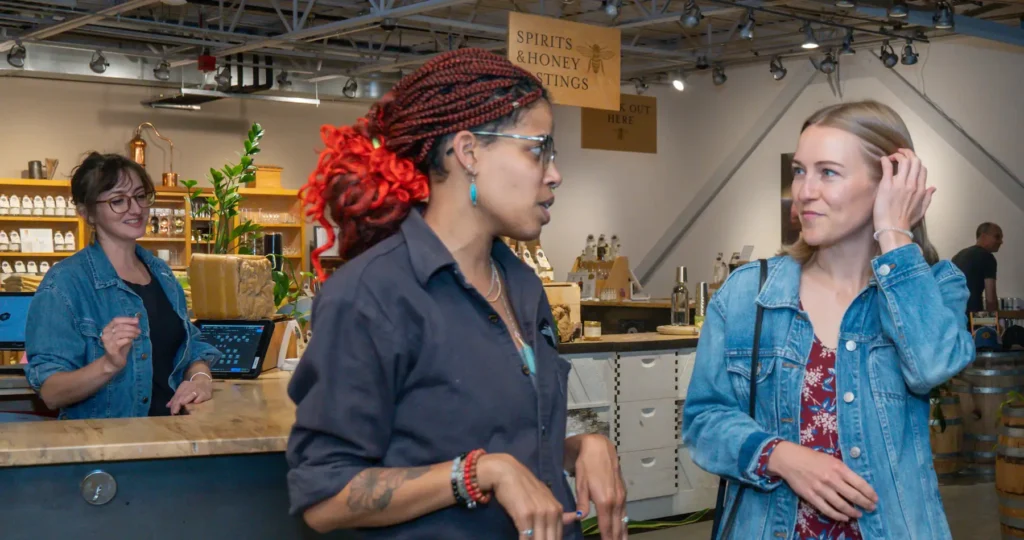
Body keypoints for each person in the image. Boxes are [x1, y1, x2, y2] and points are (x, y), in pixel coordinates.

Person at [286, 48, 627, 540]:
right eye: (538, 149)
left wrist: (578, 447)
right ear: (468, 153)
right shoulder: (371, 295)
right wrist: (476, 473)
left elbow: (507, 439)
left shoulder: (522, 286)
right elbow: (325, 496)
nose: (554, 173)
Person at [683, 101, 974, 540]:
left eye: (828, 172)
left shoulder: (935, 288)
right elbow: (703, 420)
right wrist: (781, 456)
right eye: (800, 171)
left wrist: (894, 234)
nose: (803, 191)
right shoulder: (748, 294)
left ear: (888, 183)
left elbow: (931, 367)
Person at [24, 153, 221, 419]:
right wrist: (108, 365)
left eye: (141, 196)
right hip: (109, 449)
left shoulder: (161, 273)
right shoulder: (64, 285)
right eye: (118, 201)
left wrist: (200, 379)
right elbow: (51, 392)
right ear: (87, 212)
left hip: (174, 438)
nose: (136, 209)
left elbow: (191, 348)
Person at [952, 222, 1003, 312]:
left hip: (954, 314)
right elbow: (990, 299)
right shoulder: (987, 257)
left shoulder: (958, 256)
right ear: (983, 236)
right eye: (997, 237)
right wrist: (994, 322)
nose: (1001, 242)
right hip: (973, 316)